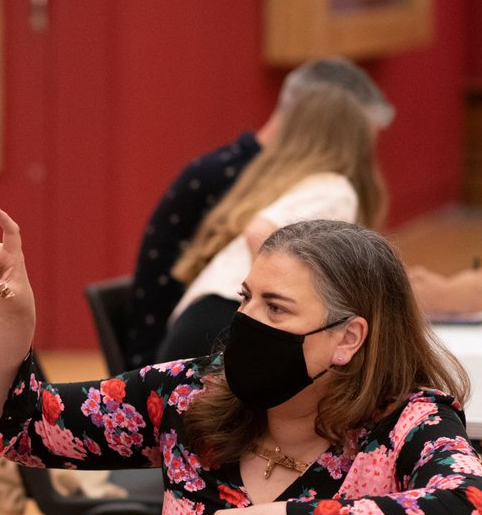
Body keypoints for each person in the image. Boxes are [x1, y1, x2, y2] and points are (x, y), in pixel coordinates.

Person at [0, 210, 482, 515]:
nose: (246, 321)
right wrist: (14, 317)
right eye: (246, 298)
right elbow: (25, 428)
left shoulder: (406, 423)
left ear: (348, 338)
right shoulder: (188, 396)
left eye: (276, 308)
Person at [158, 85, 385, 362]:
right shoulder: (335, 189)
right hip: (228, 324)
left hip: (200, 321)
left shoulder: (286, 182)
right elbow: (259, 232)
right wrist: (274, 304)